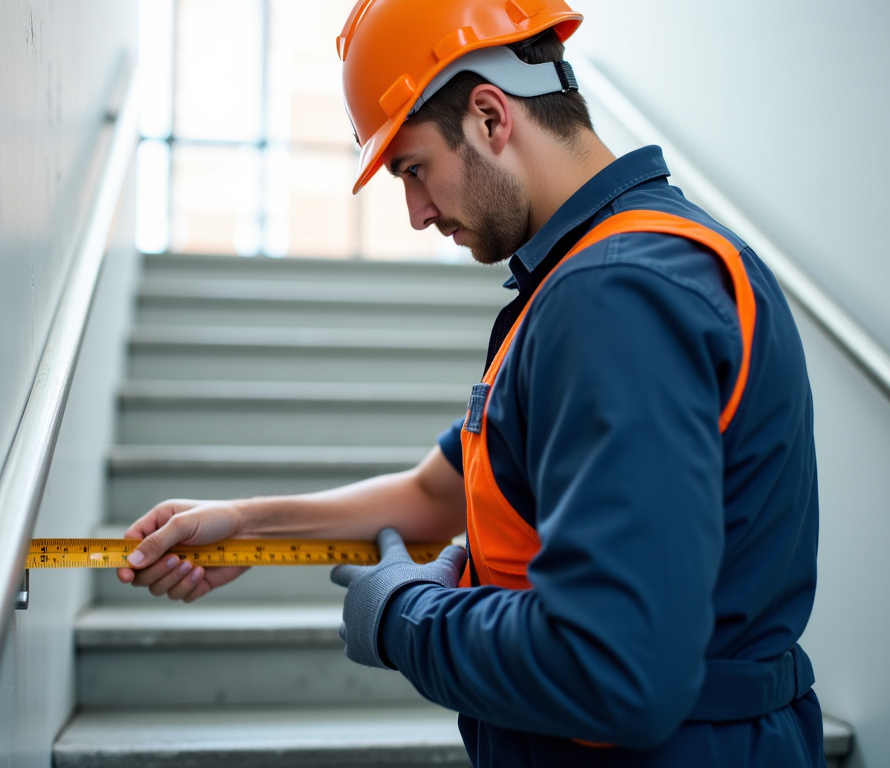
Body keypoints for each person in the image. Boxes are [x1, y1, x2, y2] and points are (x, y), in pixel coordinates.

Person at [116, 0, 825, 765]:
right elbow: (434, 493)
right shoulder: (613, 274)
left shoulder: (613, 297)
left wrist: (401, 616)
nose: (417, 214)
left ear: (491, 116)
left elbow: (616, 670)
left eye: (413, 169)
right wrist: (247, 526)